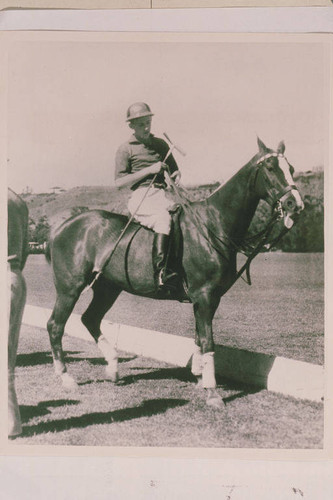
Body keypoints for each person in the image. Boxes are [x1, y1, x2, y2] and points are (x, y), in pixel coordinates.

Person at [115, 102, 181, 292]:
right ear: (131, 126)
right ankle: (160, 273)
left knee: (184, 218)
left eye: (148, 122)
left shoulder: (160, 144)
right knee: (163, 220)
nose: (146, 127)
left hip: (162, 195)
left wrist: (176, 175)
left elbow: (175, 171)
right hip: (141, 197)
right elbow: (119, 182)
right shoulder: (125, 149)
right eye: (141, 124)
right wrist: (149, 170)